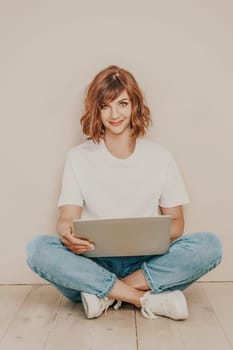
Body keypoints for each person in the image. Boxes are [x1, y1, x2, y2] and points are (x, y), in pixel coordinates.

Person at [26, 65, 222, 320]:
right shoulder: (77, 158)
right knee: (37, 249)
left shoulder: (160, 157)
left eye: (122, 103)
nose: (114, 114)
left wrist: (145, 233)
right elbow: (66, 218)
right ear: (96, 110)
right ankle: (142, 298)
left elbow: (177, 225)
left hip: (147, 264)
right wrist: (67, 233)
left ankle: (105, 293)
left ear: (135, 106)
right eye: (105, 106)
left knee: (210, 245)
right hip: (93, 261)